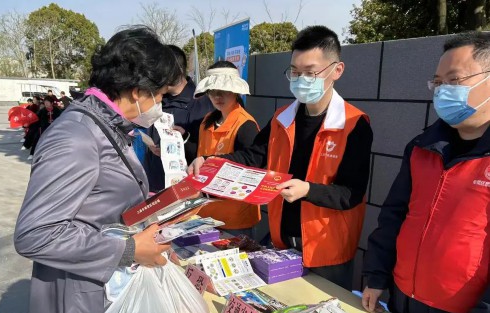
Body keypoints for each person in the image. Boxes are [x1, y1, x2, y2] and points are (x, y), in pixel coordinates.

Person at [14, 26, 182, 313]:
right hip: (81, 298)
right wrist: (128, 249)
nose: (161, 106)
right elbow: (36, 233)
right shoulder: (76, 136)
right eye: (161, 96)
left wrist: (158, 203)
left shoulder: (105, 127)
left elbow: (97, 201)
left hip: (104, 288)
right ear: (136, 92)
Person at [188, 26, 373, 290]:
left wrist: (308, 190)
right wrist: (210, 161)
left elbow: (351, 193)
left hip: (326, 249)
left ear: (337, 70)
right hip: (282, 241)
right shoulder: (281, 118)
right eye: (295, 72)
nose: (301, 79)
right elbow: (254, 155)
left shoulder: (354, 124)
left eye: (311, 72)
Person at [361, 31, 490, 313]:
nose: (443, 91)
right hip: (405, 306)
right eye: (438, 82)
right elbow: (394, 216)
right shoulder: (422, 146)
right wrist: (375, 274)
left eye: (455, 81)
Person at [193, 60, 261, 236]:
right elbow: (201, 157)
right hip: (205, 213)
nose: (217, 96)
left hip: (235, 217)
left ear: (236, 91)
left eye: (224, 91)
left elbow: (251, 166)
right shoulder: (207, 120)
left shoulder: (245, 124)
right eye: (212, 92)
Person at [144, 44, 214, 192]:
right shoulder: (154, 99)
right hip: (154, 185)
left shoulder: (203, 103)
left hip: (187, 189)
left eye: (160, 70)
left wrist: (184, 140)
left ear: (176, 71)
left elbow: (208, 153)